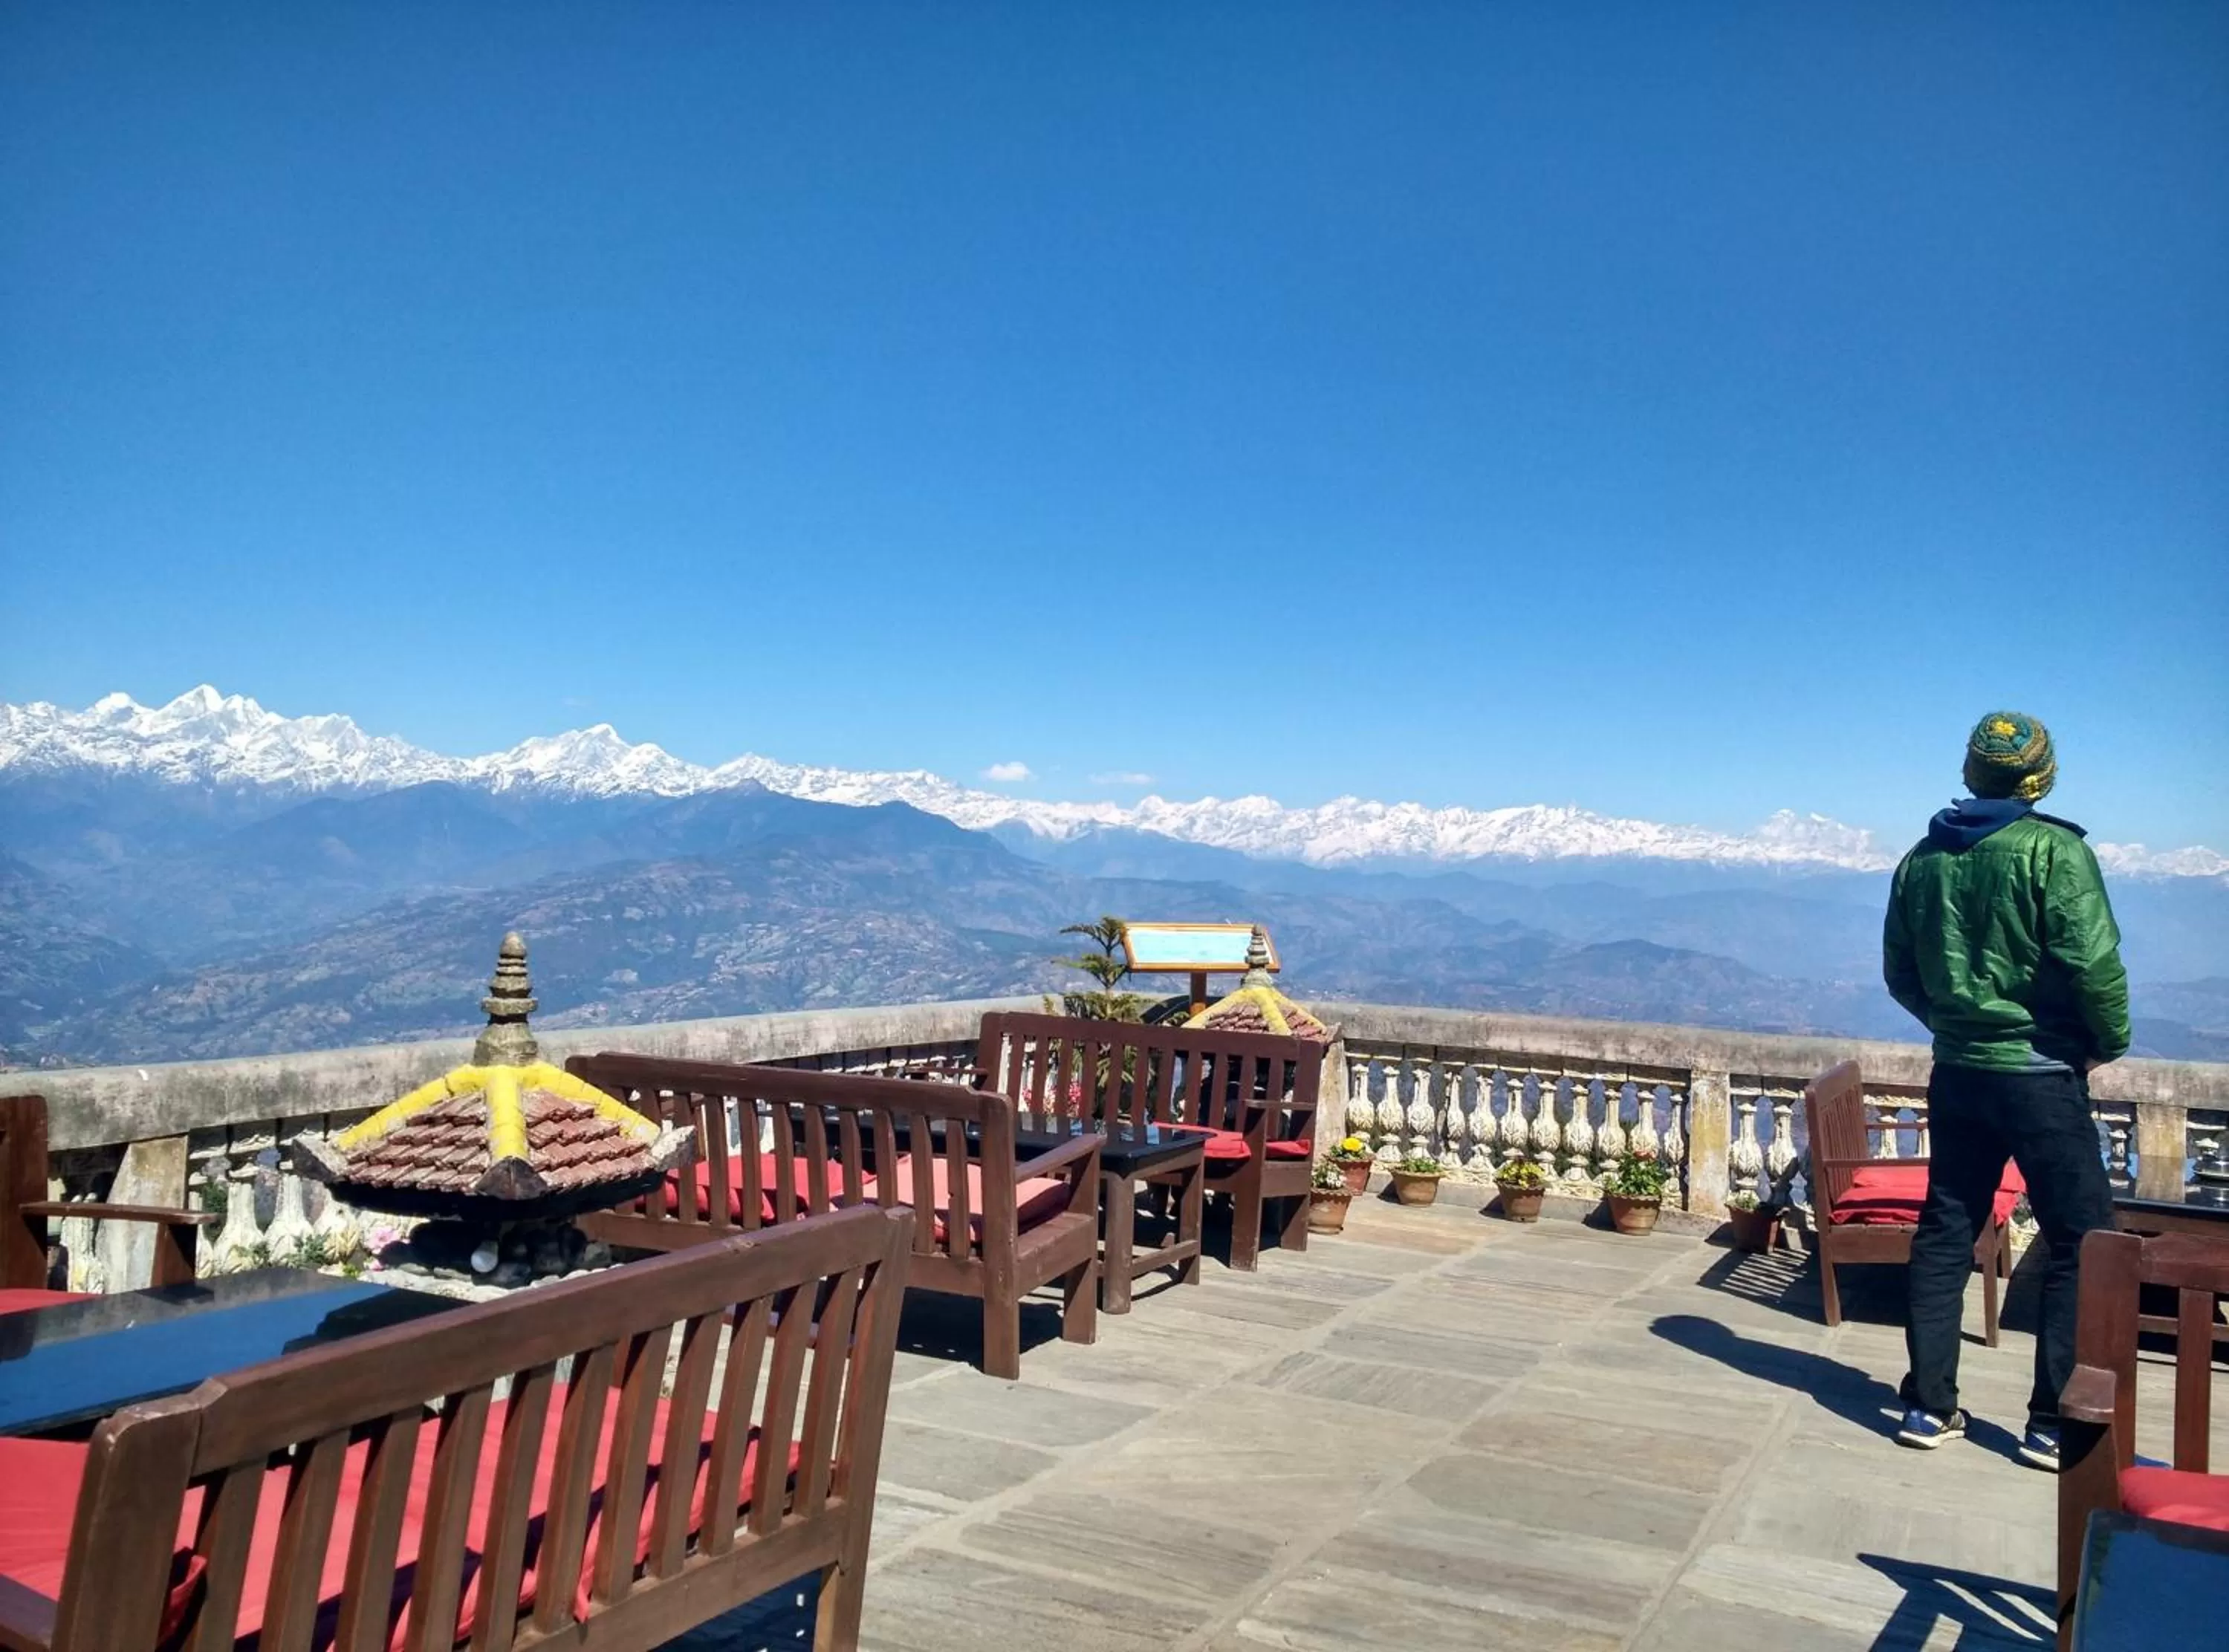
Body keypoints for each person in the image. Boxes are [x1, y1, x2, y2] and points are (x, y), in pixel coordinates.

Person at [1882, 710, 2128, 1470]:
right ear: (2040, 774)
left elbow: (1901, 973)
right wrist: (2105, 1042)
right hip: (2042, 1074)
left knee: (1947, 1225)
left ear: (1971, 769)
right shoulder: (2056, 852)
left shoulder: (1921, 859)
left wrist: (1953, 1026)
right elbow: (2094, 964)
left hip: (1958, 1072)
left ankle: (1928, 1403)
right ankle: (2052, 1419)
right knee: (2079, 1240)